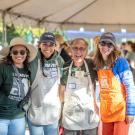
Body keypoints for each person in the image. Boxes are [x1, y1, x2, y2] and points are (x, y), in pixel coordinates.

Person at [94, 32, 135, 135]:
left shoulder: (121, 62)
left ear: (114, 47)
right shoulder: (97, 62)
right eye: (103, 43)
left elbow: (130, 87)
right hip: (106, 111)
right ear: (98, 44)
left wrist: (130, 112)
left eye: (109, 44)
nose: (105, 47)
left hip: (120, 112)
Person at [59, 38, 99, 135]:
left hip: (89, 112)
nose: (78, 52)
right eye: (75, 48)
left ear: (86, 51)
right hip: (70, 114)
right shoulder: (65, 66)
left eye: (82, 49)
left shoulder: (92, 65)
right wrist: (62, 108)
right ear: (70, 50)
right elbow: (61, 90)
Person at [27, 32, 64, 135]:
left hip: (53, 111)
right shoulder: (32, 59)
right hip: (35, 110)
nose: (48, 48)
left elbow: (62, 85)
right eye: (45, 44)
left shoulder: (59, 61)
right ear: (39, 45)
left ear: (55, 46)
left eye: (51, 44)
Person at [0, 37, 37, 135]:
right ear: (10, 54)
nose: (19, 55)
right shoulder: (3, 68)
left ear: (26, 53)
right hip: (2, 117)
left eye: (22, 52)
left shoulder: (29, 69)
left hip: (19, 117)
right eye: (15, 52)